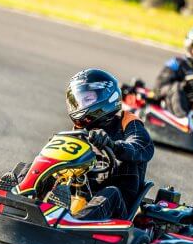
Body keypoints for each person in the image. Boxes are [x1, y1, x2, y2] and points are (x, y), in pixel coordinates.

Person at [66, 68, 154, 220]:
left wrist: (112, 145)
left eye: (87, 100)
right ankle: (20, 193)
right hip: (82, 194)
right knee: (39, 167)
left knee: (110, 193)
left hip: (117, 208)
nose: (80, 106)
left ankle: (75, 223)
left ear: (106, 97)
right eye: (78, 101)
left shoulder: (128, 122)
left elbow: (141, 147)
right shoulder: (81, 131)